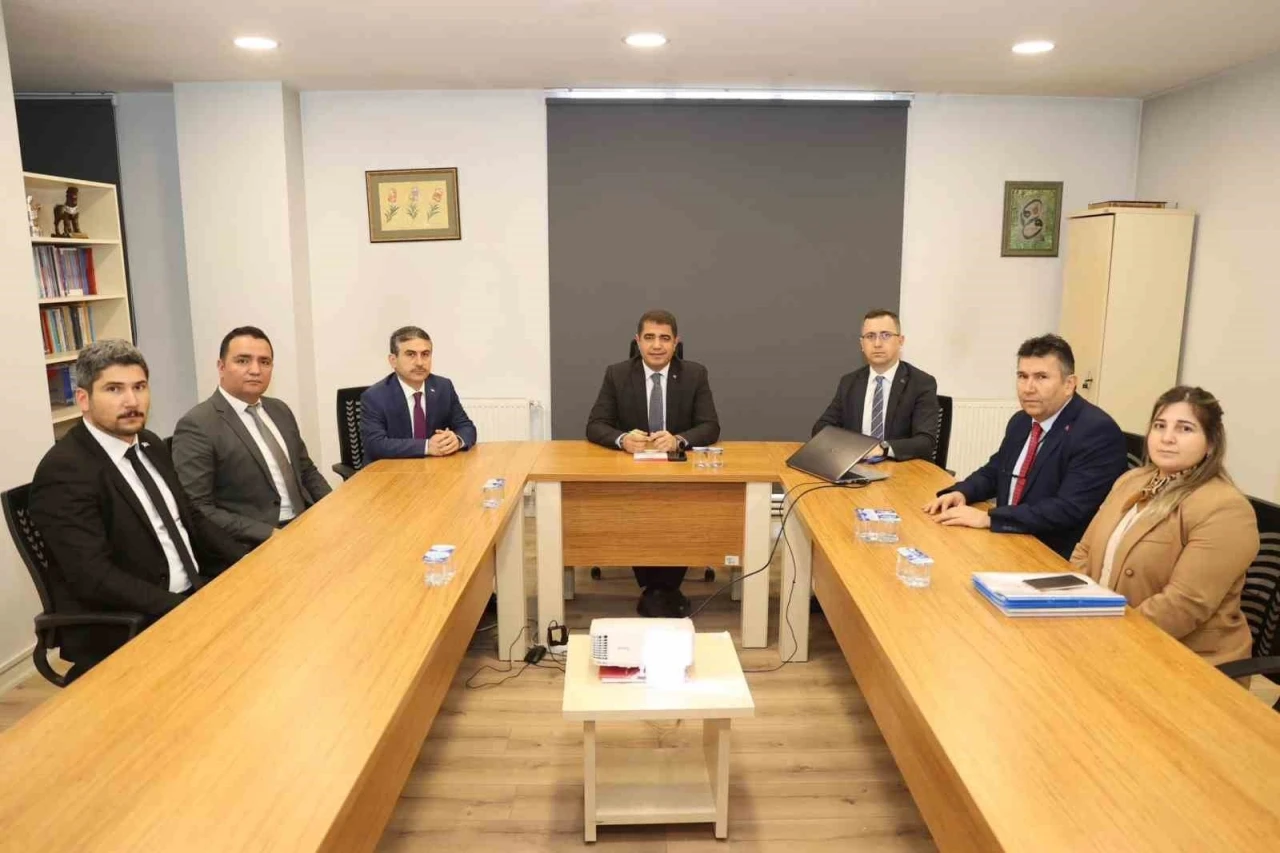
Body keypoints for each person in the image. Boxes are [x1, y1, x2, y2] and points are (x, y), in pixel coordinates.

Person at [28, 341, 248, 681]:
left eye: (139, 387)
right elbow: (94, 578)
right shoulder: (65, 471)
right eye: (114, 389)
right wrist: (185, 609)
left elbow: (192, 519)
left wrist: (248, 562)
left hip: (190, 595)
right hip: (132, 624)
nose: (132, 401)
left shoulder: (150, 444)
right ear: (83, 399)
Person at [1071, 387, 1258, 666]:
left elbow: (1184, 604)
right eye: (1160, 426)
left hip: (1183, 660)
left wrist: (1109, 637)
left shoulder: (1225, 508)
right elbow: (1084, 552)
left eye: (1185, 429)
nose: (1167, 438)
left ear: (1211, 443)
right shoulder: (1132, 480)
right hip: (1110, 635)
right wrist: (1070, 610)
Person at [922, 334, 1127, 558]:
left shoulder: (1096, 431)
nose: (1028, 388)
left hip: (1052, 554)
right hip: (1009, 540)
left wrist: (989, 518)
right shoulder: (1021, 421)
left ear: (1069, 384)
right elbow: (995, 471)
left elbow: (1067, 509)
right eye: (1022, 376)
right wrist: (961, 492)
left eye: (1041, 377)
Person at [586, 309, 721, 618]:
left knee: (678, 509)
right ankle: (658, 587)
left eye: (664, 338)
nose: (657, 345)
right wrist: (622, 439)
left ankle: (663, 587)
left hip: (679, 474)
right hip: (632, 475)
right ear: (638, 341)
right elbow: (595, 425)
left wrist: (679, 440)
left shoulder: (695, 374)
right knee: (641, 507)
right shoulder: (617, 374)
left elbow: (710, 426)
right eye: (649, 338)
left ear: (676, 343)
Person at [173, 326, 332, 547]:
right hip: (253, 541)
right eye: (243, 361)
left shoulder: (280, 410)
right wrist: (270, 534)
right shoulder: (198, 424)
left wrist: (333, 506)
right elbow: (198, 507)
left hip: (304, 524)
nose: (255, 370)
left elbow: (306, 470)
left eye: (264, 362)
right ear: (221, 367)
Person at [812, 308, 940, 461]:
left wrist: (882, 449)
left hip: (901, 468)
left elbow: (926, 441)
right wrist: (852, 447)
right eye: (870, 336)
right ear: (862, 344)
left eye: (886, 335)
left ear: (900, 341)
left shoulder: (921, 383)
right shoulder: (849, 382)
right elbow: (821, 427)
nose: (877, 344)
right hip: (857, 465)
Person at [360, 326, 477, 465]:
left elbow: (466, 427)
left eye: (425, 354)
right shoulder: (374, 396)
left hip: (434, 469)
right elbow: (375, 445)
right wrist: (427, 446)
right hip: (391, 470)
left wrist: (456, 440)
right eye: (411, 354)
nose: (420, 363)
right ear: (393, 360)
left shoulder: (443, 387)